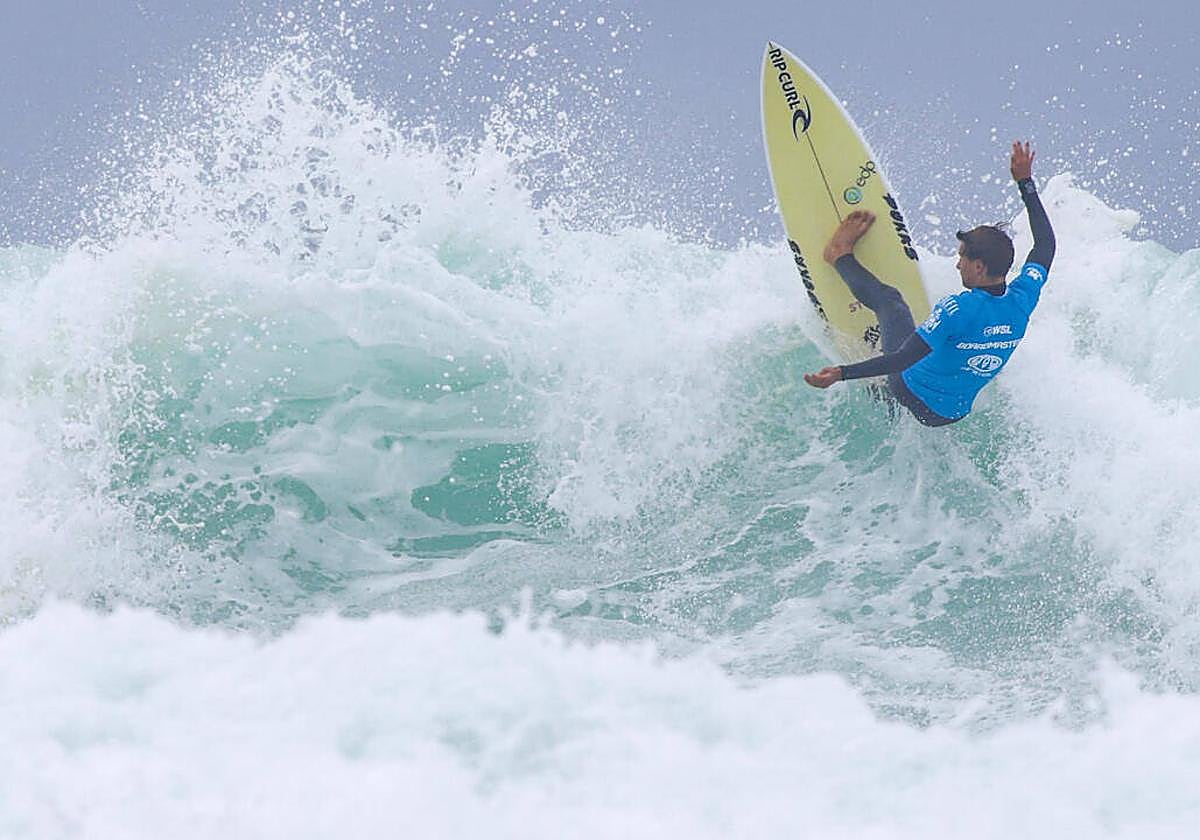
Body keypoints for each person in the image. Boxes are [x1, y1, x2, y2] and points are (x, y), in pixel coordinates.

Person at [803, 141, 1056, 426]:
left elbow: (902, 360)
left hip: (910, 390)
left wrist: (841, 373)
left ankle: (839, 255)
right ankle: (883, 396)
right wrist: (1026, 184)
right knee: (932, 350)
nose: (957, 263)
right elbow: (1045, 245)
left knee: (892, 303)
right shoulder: (1023, 298)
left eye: (962, 257)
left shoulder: (959, 308)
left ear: (979, 266)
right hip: (950, 414)